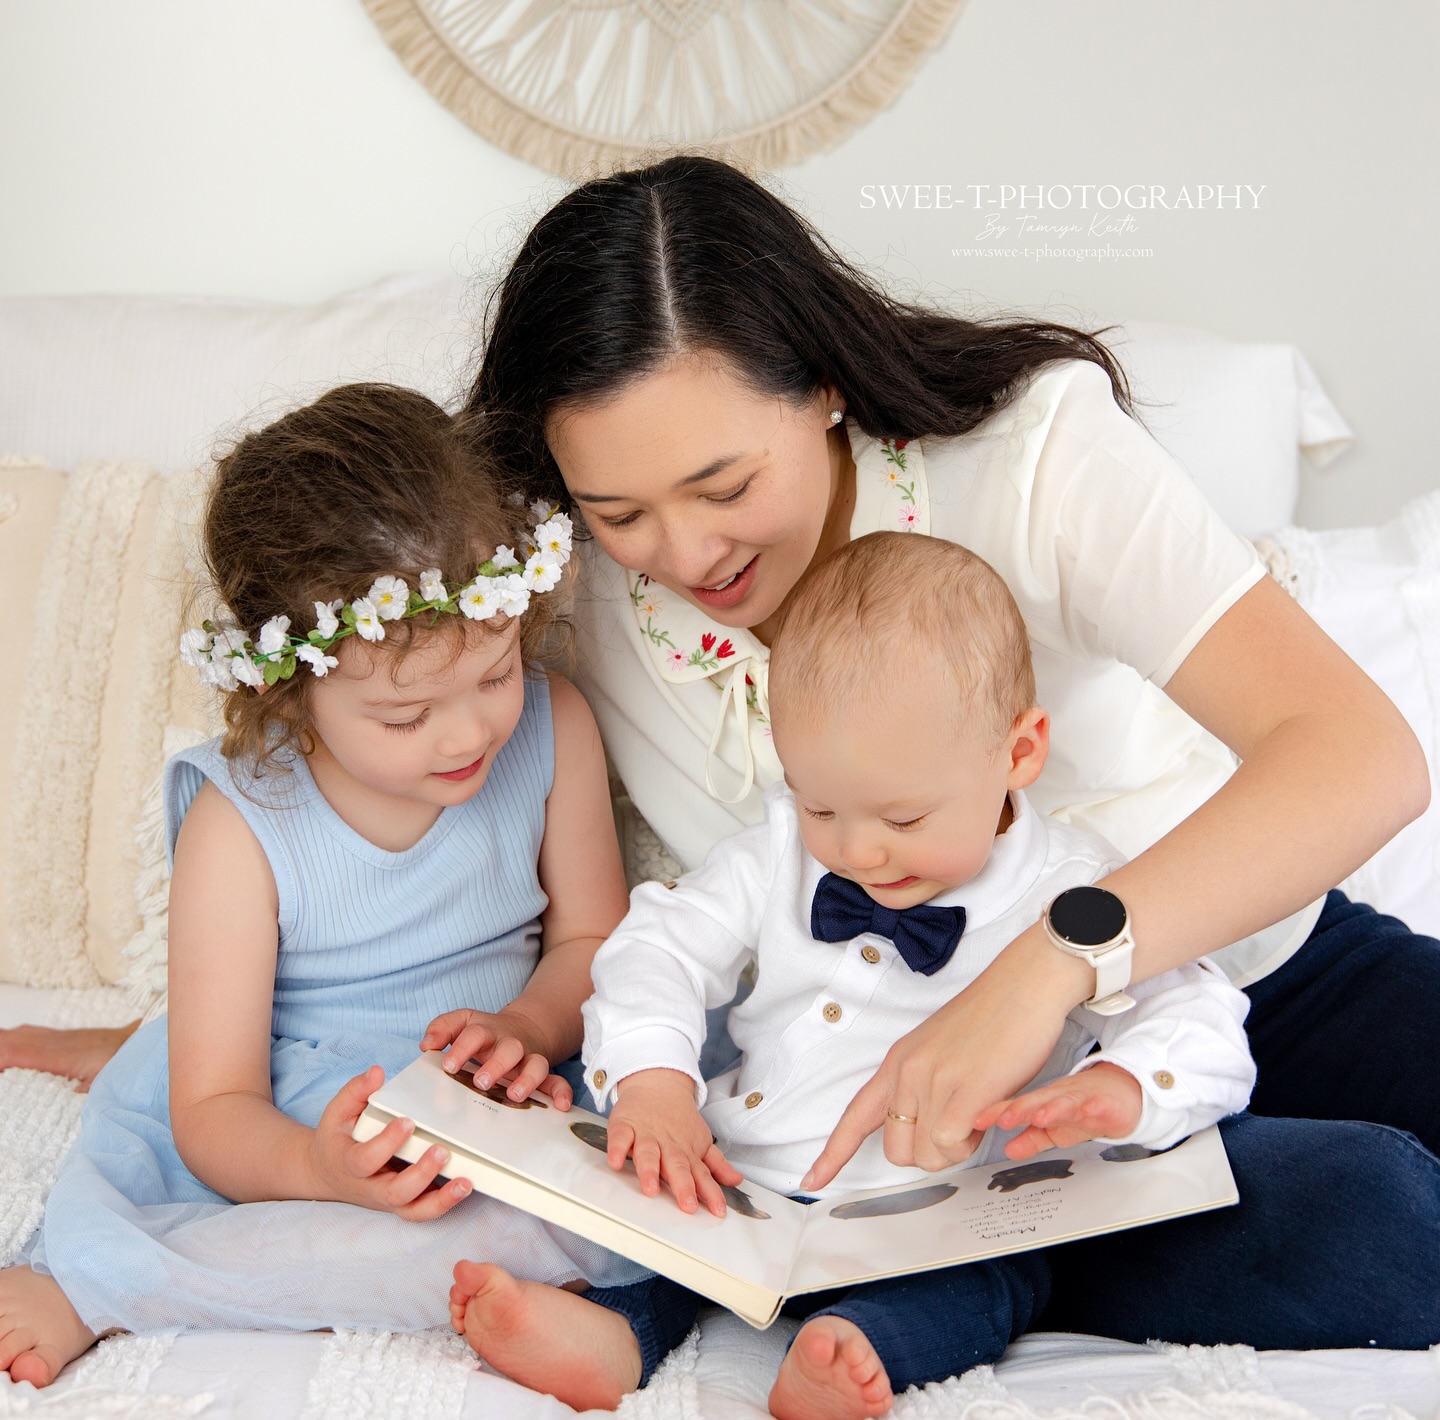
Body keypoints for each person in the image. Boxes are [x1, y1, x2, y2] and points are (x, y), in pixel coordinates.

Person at [458, 155, 1437, 1181]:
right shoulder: (554, 582)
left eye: (727, 485)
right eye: (621, 514)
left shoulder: (1036, 464)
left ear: (823, 384)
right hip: (901, 1133)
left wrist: (1044, 971)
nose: (689, 554)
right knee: (1370, 1217)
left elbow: (1361, 756)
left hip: (1244, 975)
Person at [445, 534, 1440, 1420]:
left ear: (1018, 753)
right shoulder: (782, 852)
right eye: (822, 804)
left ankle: (860, 1353)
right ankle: (608, 1337)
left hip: (943, 1208)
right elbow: (658, 944)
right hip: (748, 1168)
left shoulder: (1074, 891)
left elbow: (1204, 1018)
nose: (859, 851)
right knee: (658, 1233)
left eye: (903, 819)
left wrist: (1125, 1090)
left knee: (984, 1280)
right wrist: (656, 1081)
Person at [0, 383, 644, 1387]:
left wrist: (527, 1026)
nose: (471, 731)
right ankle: (91, 1283)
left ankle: (124, 1045)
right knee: (344, 1227)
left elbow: (594, 944)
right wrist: (317, 1171)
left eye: (493, 672)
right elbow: (216, 1107)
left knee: (674, 1152)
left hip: (501, 1059)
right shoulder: (242, 824)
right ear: (290, 695)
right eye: (404, 716)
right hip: (302, 1094)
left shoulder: (552, 727)